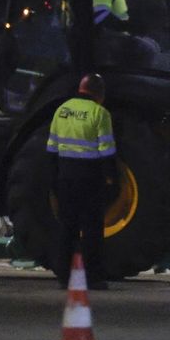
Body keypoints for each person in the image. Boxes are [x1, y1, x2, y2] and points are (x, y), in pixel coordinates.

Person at [46, 73, 118, 290]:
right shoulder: (100, 113)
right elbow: (107, 151)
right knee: (92, 230)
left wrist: (53, 180)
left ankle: (63, 276)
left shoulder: (62, 110)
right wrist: (112, 179)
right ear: (99, 93)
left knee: (67, 227)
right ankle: (93, 277)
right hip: (90, 178)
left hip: (65, 176)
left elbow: (51, 149)